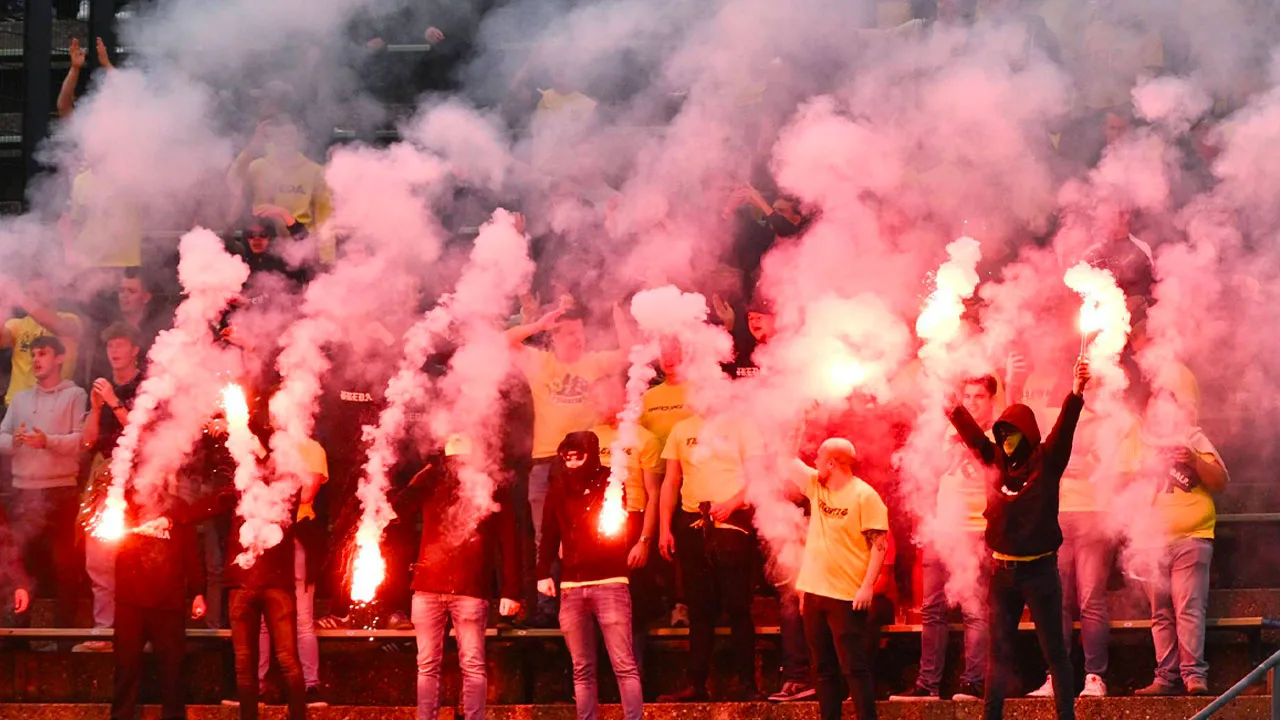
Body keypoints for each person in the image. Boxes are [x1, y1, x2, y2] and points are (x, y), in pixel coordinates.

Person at [947, 357, 1091, 720]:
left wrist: (1076, 391)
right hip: (1003, 575)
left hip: (1041, 574)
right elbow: (972, 434)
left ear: (1027, 434)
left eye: (1013, 434)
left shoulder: (1047, 459)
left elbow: (1066, 426)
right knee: (999, 651)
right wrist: (951, 404)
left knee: (1055, 652)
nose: (1006, 442)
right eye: (1002, 434)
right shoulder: (994, 459)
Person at [507, 302, 631, 626]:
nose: (576, 339)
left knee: (581, 534)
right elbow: (503, 342)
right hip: (546, 460)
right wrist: (537, 326)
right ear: (555, 338)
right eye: (568, 334)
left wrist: (618, 318)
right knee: (543, 536)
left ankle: (581, 604)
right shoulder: (540, 362)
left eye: (580, 333)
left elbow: (631, 352)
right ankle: (547, 610)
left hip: (584, 461)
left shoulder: (595, 362)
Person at [394, 437, 522, 720]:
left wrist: (512, 589)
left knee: (453, 665)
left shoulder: (489, 480)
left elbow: (510, 538)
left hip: (462, 587)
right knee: (456, 665)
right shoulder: (432, 477)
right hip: (439, 586)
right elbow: (398, 510)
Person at [892, 375, 996, 701]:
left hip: (976, 531)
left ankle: (973, 683)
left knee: (974, 609)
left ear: (992, 399)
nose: (973, 401)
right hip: (943, 529)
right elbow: (932, 476)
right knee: (932, 609)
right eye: (968, 396)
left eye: (980, 396)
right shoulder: (948, 435)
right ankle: (927, 685)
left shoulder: (994, 436)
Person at [537, 432, 644, 720]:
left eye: (578, 456)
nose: (572, 463)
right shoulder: (558, 486)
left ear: (592, 454)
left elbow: (620, 522)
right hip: (572, 585)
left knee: (623, 662)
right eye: (567, 457)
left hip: (610, 581)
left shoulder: (611, 481)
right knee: (581, 667)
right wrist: (543, 573)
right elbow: (549, 532)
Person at [1131, 383, 1228, 697]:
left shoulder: (1193, 437)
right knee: (1160, 611)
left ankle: (1193, 676)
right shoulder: (1134, 442)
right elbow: (1114, 484)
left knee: (1188, 607)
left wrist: (1194, 460)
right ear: (1145, 414)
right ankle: (1166, 676)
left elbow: (1221, 481)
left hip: (1192, 535)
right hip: (1150, 539)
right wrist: (1142, 470)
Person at [657, 412, 760, 702]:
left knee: (738, 608)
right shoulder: (681, 429)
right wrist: (665, 528)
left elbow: (757, 478)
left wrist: (732, 504)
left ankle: (748, 685)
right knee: (699, 610)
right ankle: (697, 684)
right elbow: (670, 481)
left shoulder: (742, 424)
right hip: (693, 524)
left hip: (733, 524)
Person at [792, 438, 889, 720]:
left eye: (820, 459)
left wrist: (867, 587)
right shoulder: (816, 486)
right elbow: (785, 461)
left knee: (854, 669)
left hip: (847, 596)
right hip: (814, 593)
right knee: (822, 669)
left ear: (832, 463)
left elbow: (879, 545)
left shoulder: (864, 496)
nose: (815, 464)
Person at [0, 336, 87, 631]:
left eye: (44, 354)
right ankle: (19, 635)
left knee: (65, 566)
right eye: (33, 354)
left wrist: (46, 441)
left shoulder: (75, 395)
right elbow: (1, 437)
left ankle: (64, 634)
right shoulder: (22, 398)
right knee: (19, 566)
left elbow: (80, 441)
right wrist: (15, 441)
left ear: (60, 358)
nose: (36, 359)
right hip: (23, 492)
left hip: (60, 491)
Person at [75, 322, 144, 652]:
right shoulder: (101, 391)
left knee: (134, 558)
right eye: (109, 346)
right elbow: (88, 442)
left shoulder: (146, 387)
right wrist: (98, 407)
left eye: (120, 344)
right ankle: (104, 630)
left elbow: (142, 433)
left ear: (135, 351)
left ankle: (139, 632)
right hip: (102, 479)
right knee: (98, 558)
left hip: (137, 479)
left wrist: (115, 401)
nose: (114, 351)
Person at [589, 375, 664, 675]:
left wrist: (644, 540)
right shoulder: (587, 438)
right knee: (596, 606)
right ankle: (600, 686)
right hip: (593, 529)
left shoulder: (644, 438)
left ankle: (633, 682)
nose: (602, 405)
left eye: (607, 397)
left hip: (632, 520)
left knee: (632, 609)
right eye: (597, 399)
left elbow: (654, 493)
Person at [111, 493, 206, 720]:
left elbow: (190, 552)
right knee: (125, 669)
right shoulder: (124, 504)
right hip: (130, 602)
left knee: (173, 672)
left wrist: (198, 592)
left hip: (168, 602)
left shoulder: (178, 506)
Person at [257, 434, 329, 706]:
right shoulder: (269, 447)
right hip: (267, 535)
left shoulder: (312, 448)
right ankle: (258, 684)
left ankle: (311, 685)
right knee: (263, 617)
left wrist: (274, 476)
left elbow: (307, 492)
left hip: (298, 533)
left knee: (302, 618)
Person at [639, 338, 693, 628]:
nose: (669, 358)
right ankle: (665, 601)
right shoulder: (648, 397)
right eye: (664, 353)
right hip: (656, 478)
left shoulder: (698, 390)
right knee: (660, 543)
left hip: (692, 477)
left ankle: (685, 604)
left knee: (685, 543)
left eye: (676, 351)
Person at [1, 274, 84, 406]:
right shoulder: (18, 324)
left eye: (37, 294)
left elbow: (58, 326)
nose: (31, 298)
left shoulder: (71, 320)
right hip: (15, 407)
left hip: (52, 407)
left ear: (53, 294)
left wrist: (21, 297)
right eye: (28, 293)